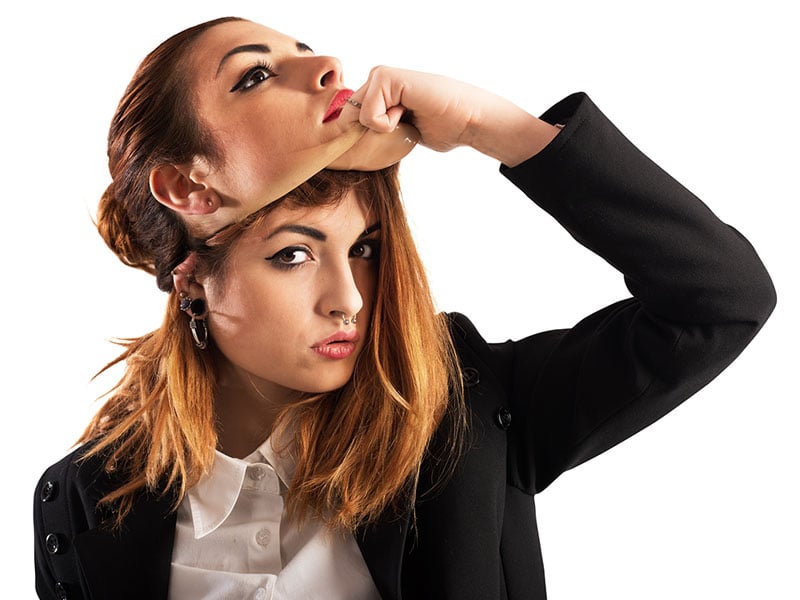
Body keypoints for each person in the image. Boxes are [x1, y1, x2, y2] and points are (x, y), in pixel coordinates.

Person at [33, 15, 776, 600]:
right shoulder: (86, 501)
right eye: (291, 254)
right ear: (191, 249)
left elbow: (719, 300)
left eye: (367, 248)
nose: (351, 299)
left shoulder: (467, 407)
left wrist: (495, 127)